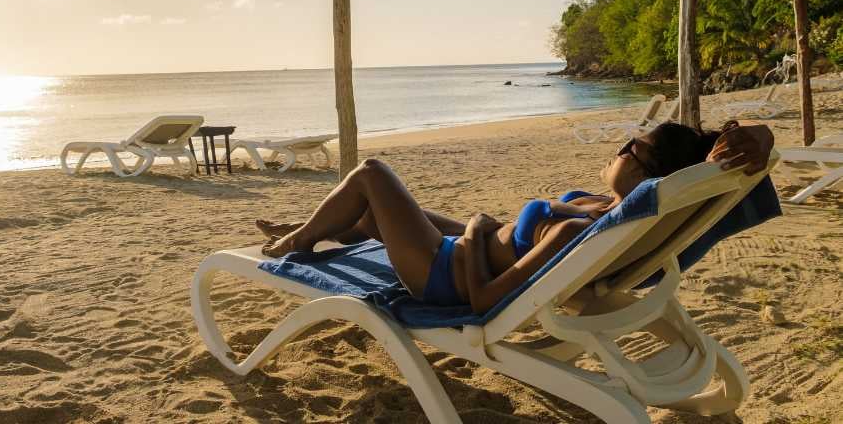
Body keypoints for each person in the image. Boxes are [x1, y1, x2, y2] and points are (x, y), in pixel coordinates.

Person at [259, 121, 773, 314]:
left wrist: (481, 227)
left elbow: (486, 300)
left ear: (643, 171)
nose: (617, 150)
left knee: (372, 173)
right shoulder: (607, 212)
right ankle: (309, 230)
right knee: (377, 211)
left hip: (444, 276)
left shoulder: (579, 229)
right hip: (466, 249)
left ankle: (297, 241)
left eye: (628, 146)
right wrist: (760, 137)